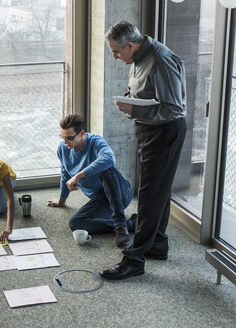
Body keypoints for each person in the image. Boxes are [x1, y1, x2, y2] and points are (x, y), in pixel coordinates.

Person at [101, 21, 186, 280]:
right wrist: (129, 99)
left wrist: (135, 110)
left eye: (116, 52)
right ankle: (157, 243)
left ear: (130, 45)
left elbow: (174, 108)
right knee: (159, 190)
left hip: (164, 132)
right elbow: (144, 90)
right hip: (149, 130)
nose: (115, 57)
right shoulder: (137, 57)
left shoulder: (161, 59)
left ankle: (134, 260)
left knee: (149, 194)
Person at [47, 114, 134, 248]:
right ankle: (132, 224)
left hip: (120, 192)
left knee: (106, 168)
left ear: (82, 133)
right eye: (62, 137)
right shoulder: (63, 148)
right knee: (75, 223)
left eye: (69, 138)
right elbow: (65, 174)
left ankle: (121, 226)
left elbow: (109, 158)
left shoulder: (95, 142)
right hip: (100, 198)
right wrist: (62, 200)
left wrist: (78, 176)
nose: (65, 142)